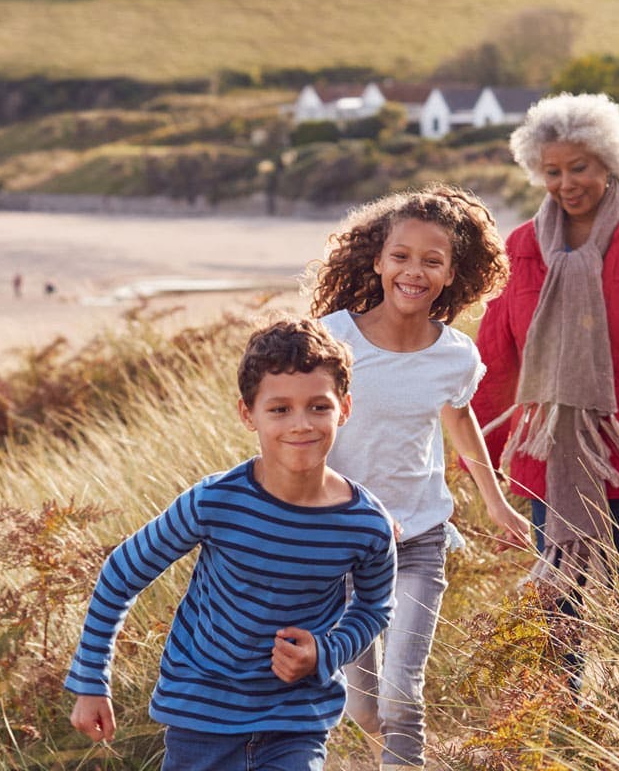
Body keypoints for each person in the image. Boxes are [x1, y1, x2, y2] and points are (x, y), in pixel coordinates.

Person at [64, 318, 397, 771]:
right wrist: (91, 682)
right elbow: (121, 574)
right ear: (248, 414)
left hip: (296, 722)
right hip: (200, 716)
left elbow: (376, 606)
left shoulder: (366, 523)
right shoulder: (215, 501)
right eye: (279, 409)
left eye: (318, 407)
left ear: (344, 409)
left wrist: (326, 652)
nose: (301, 424)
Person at [472, 90, 619, 658]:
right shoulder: (522, 248)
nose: (566, 182)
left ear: (608, 160)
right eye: (551, 171)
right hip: (546, 445)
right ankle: (567, 709)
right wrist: (484, 455)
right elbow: (497, 358)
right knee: (559, 589)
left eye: (578, 166)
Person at [311, 183, 532, 769]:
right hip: (346, 544)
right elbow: (298, 426)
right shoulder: (335, 340)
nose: (414, 271)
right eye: (402, 256)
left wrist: (497, 503)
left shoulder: (455, 355)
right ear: (379, 259)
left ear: (451, 272)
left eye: (432, 260)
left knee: (402, 696)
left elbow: (461, 423)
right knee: (364, 708)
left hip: (420, 538)